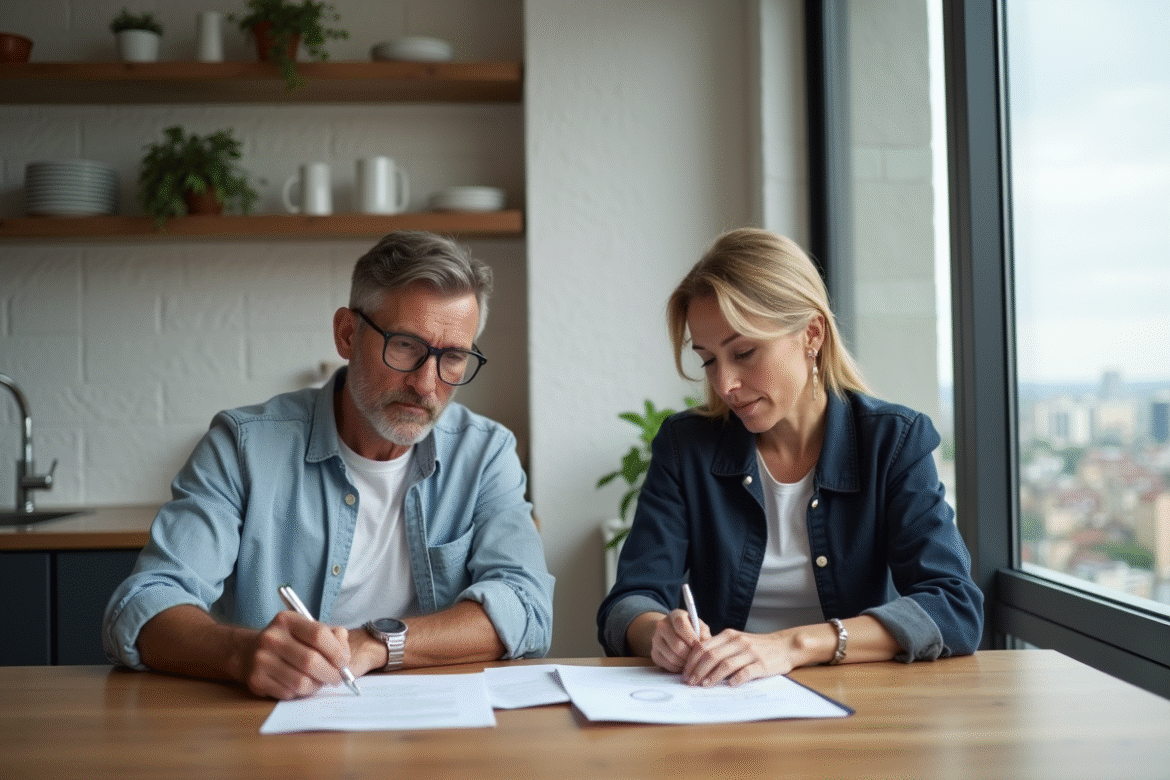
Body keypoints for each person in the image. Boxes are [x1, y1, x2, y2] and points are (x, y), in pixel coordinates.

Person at [104, 230, 554, 699]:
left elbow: (527, 605)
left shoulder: (485, 454)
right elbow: (144, 605)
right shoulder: (242, 448)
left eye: (453, 357)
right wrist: (240, 654)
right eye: (404, 346)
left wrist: (376, 644)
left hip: (433, 732)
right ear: (346, 333)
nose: (426, 384)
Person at [597, 228, 983, 688]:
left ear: (811, 334)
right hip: (722, 703)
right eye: (708, 360)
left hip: (861, 707)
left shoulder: (893, 442)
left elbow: (954, 606)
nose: (724, 385)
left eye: (743, 352)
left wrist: (793, 646)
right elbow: (629, 601)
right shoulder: (686, 447)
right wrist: (657, 632)